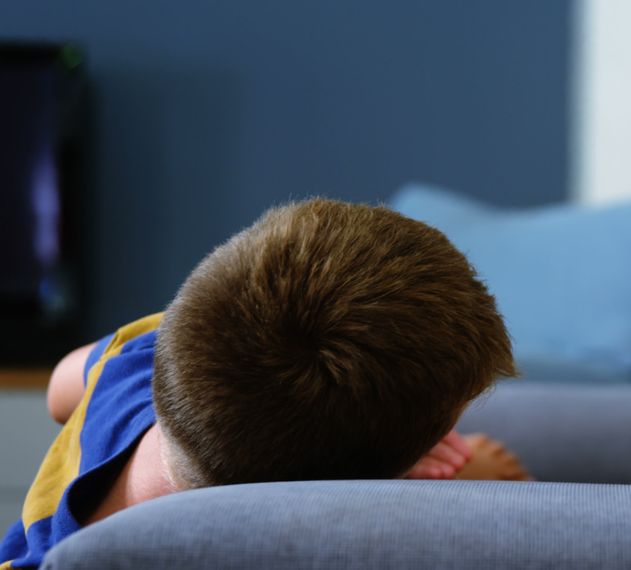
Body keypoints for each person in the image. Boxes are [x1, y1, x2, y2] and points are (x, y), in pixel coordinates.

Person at [1, 199, 527, 569]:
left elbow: (60, 392)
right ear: (362, 486)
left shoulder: (139, 360)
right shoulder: (334, 539)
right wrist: (457, 470)